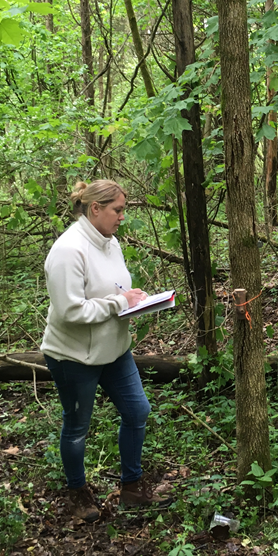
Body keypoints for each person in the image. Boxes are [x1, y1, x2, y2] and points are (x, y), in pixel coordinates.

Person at [41, 180, 168, 521]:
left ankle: (132, 486)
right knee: (78, 426)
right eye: (118, 210)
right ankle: (78, 493)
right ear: (94, 209)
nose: (122, 218)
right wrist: (117, 304)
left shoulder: (109, 242)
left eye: (123, 210)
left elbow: (115, 289)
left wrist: (133, 299)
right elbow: (70, 311)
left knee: (137, 411)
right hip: (73, 356)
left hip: (115, 350)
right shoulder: (69, 251)